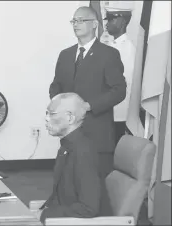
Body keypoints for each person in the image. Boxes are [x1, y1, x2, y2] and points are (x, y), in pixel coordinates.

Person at [49, 6, 126, 179]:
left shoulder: (109, 54)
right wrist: (58, 104)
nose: (76, 24)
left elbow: (119, 91)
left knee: (96, 187)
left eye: (81, 20)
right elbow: (56, 85)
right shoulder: (65, 55)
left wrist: (88, 106)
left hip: (97, 134)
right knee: (68, 183)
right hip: (70, 133)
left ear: (94, 24)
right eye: (74, 21)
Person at [37, 93, 101, 224]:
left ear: (70, 118)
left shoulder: (83, 151)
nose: (46, 119)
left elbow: (88, 208)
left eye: (52, 114)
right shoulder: (67, 146)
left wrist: (45, 215)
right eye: (46, 113)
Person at [104, 6, 135, 145]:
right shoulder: (110, 45)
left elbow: (125, 82)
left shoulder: (128, 49)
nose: (107, 23)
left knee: (117, 150)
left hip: (120, 111)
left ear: (122, 22)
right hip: (106, 109)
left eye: (111, 19)